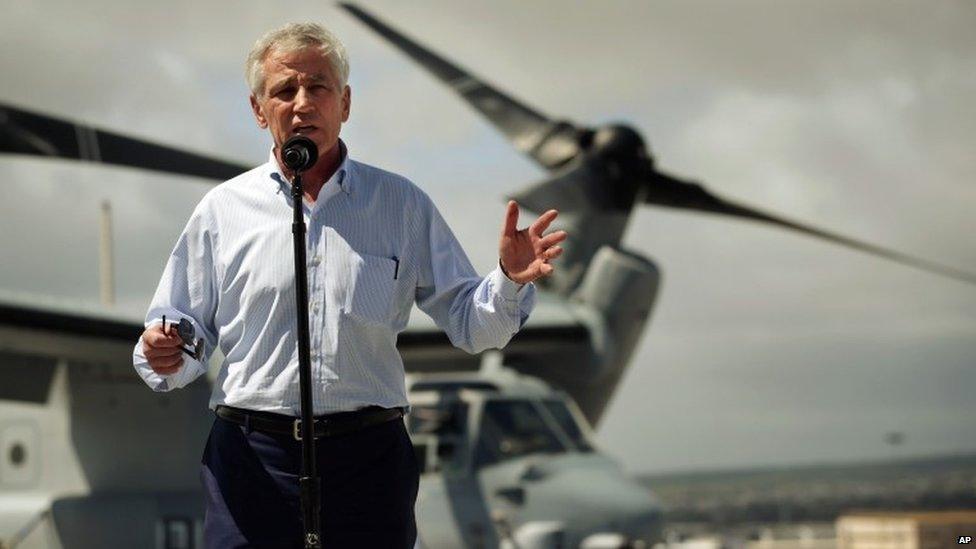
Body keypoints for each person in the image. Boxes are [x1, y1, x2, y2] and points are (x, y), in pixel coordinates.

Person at [132, 21, 566, 548]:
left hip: (368, 459)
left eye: (318, 87)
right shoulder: (222, 211)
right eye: (284, 90)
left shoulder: (401, 205)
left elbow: (474, 327)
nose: (301, 103)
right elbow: (184, 327)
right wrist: (167, 351)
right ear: (257, 110)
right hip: (253, 460)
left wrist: (509, 280)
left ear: (345, 102)